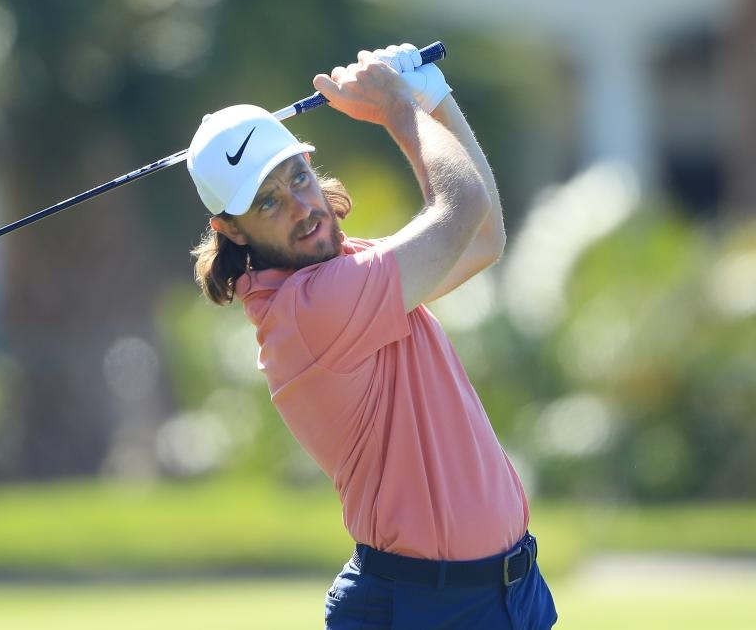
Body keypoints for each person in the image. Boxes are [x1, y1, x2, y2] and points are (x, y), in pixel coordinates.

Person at [186, 43, 557, 630]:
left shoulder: (340, 273)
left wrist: (434, 98)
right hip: (431, 608)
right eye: (269, 202)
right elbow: (461, 210)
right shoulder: (310, 310)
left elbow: (483, 238)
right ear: (230, 230)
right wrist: (400, 110)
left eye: (298, 176)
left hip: (508, 594)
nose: (302, 206)